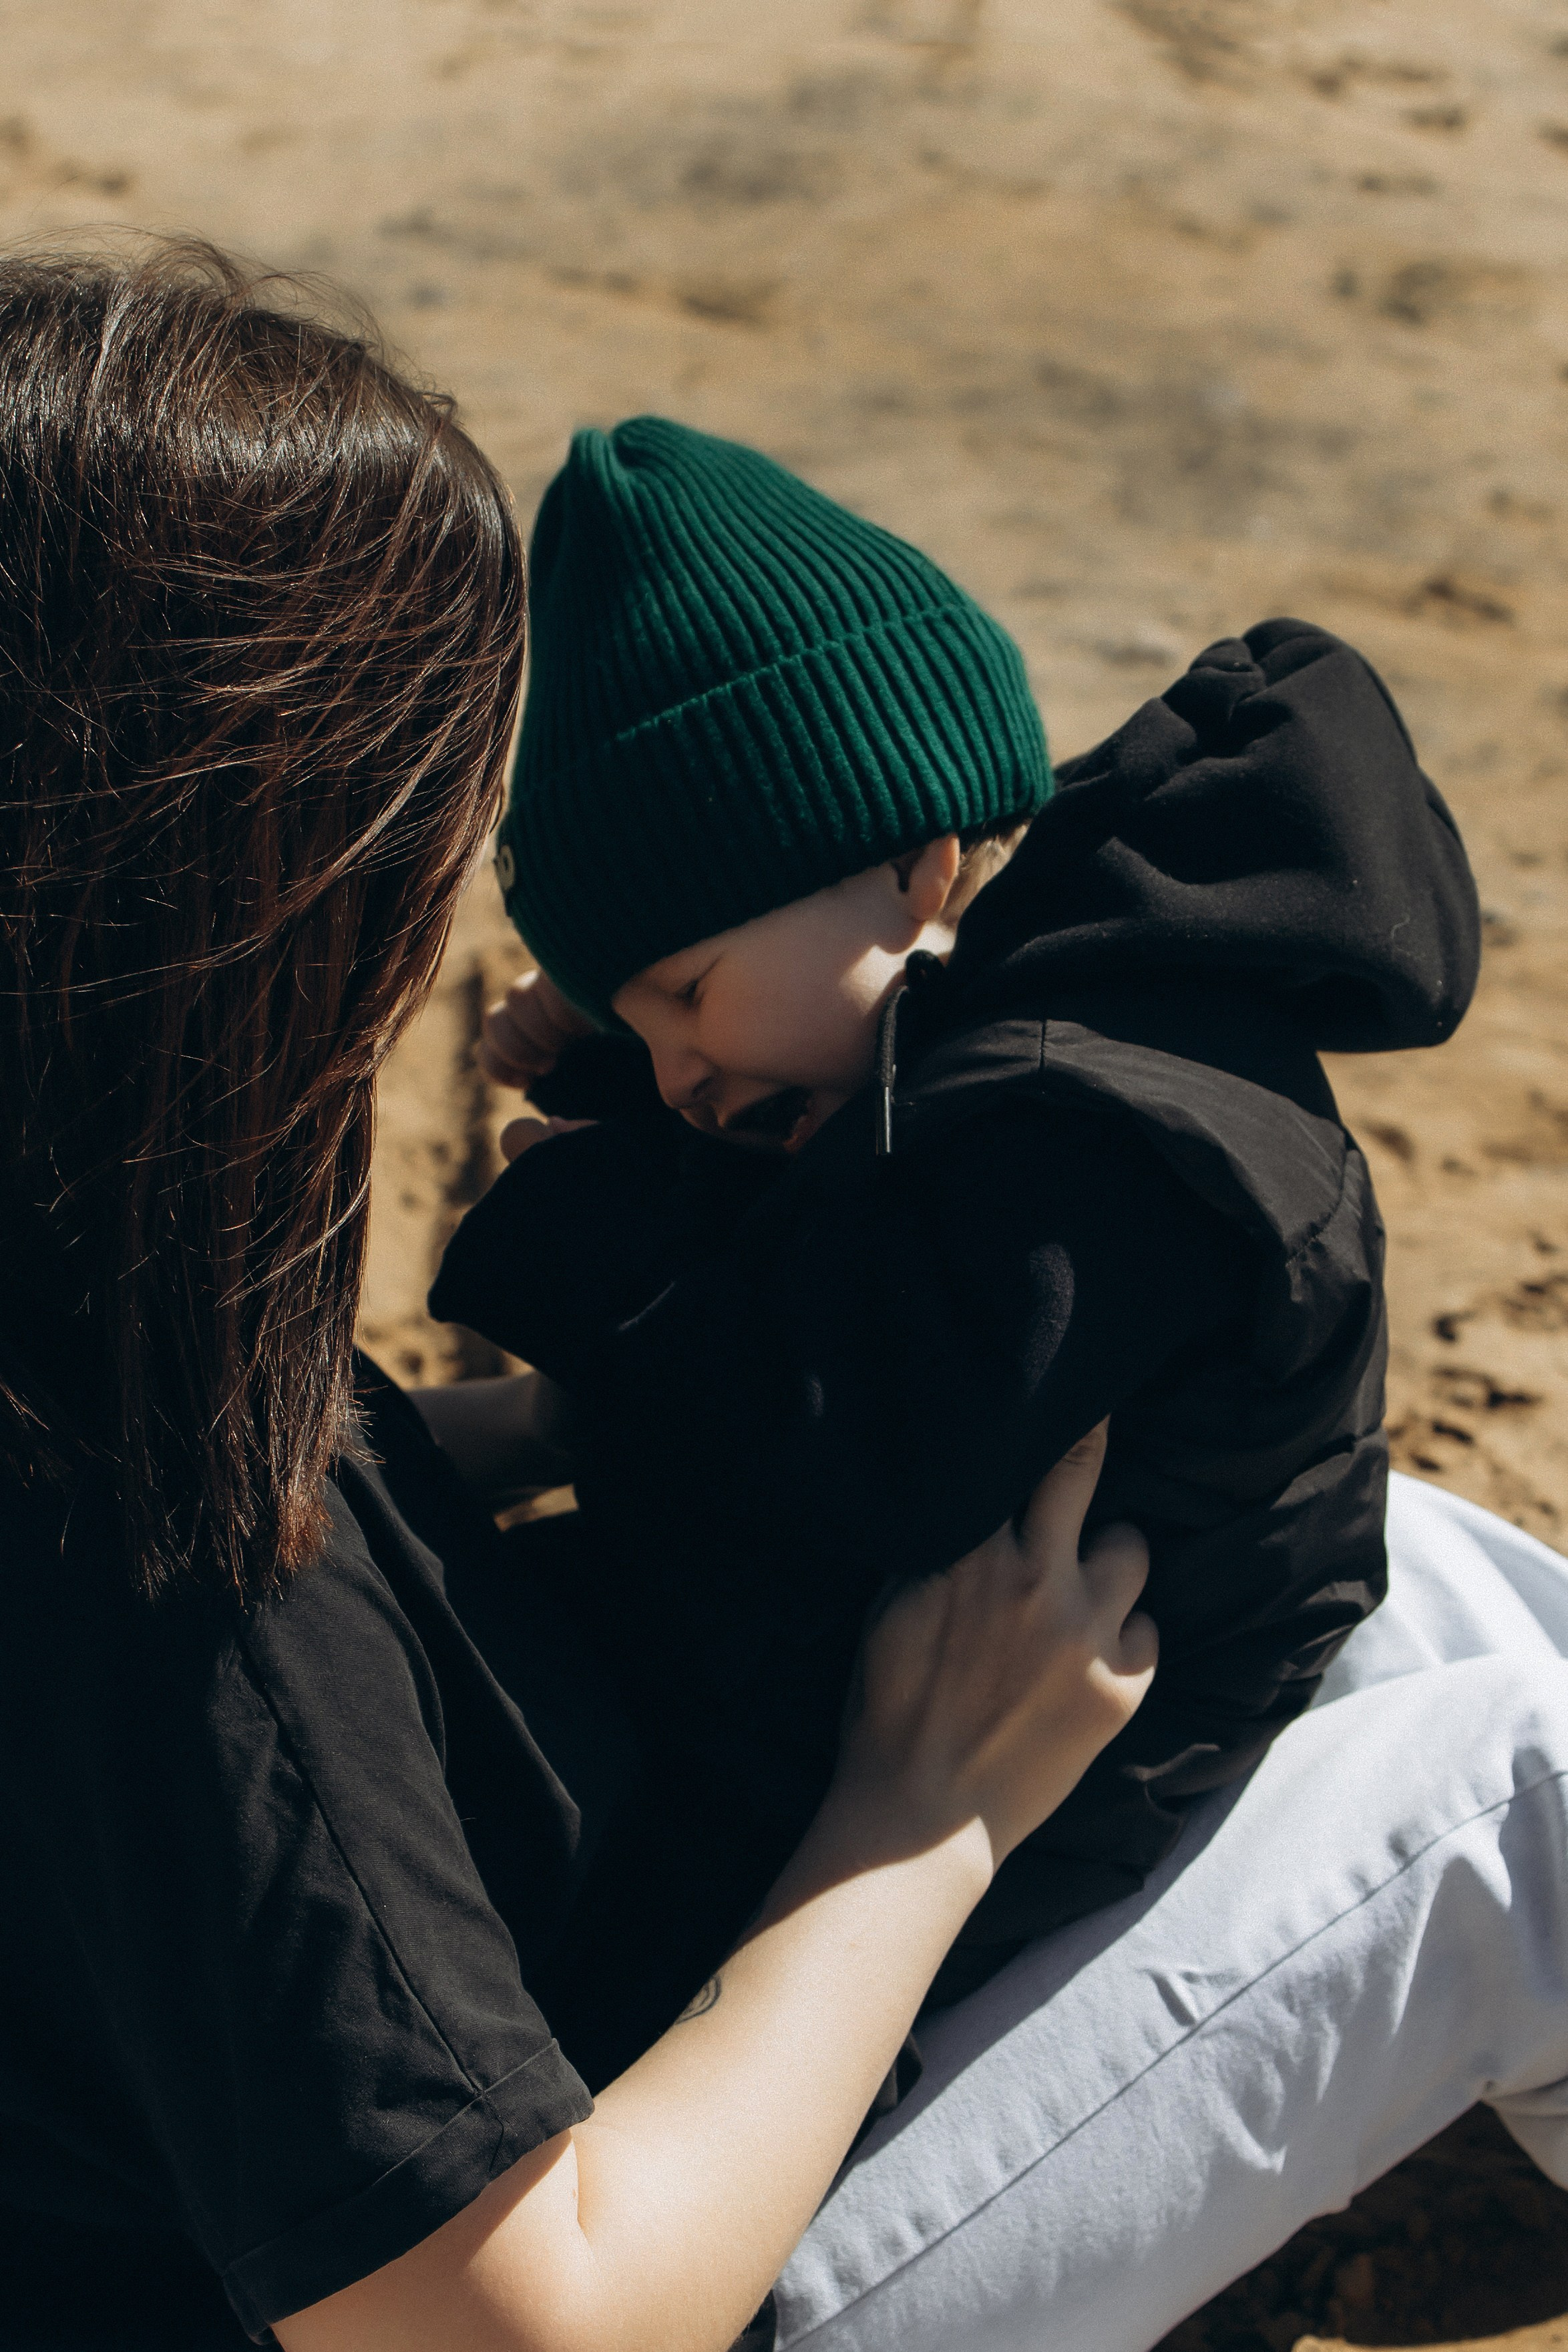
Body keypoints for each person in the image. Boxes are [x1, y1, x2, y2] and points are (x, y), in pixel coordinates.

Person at [2, 242, 1564, 2352]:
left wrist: (532, 1422)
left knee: (1419, 1581)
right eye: (426, 828)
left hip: (536, 2038)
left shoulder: (75, 1298)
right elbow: (511, 2330)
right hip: (652, 2247)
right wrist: (919, 1826)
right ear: (252, 879)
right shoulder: (158, 1555)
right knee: (1527, 1795)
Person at [432, 415, 1482, 2001]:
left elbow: (826, 1445)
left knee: (586, 1905)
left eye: (687, 992)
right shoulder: (955, 1025)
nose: (676, 1069)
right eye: (636, 1017)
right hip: (903, 1645)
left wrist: (602, 1210)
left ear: (916, 874)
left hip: (1085, 1766)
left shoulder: (1085, 1134)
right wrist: (616, 1053)